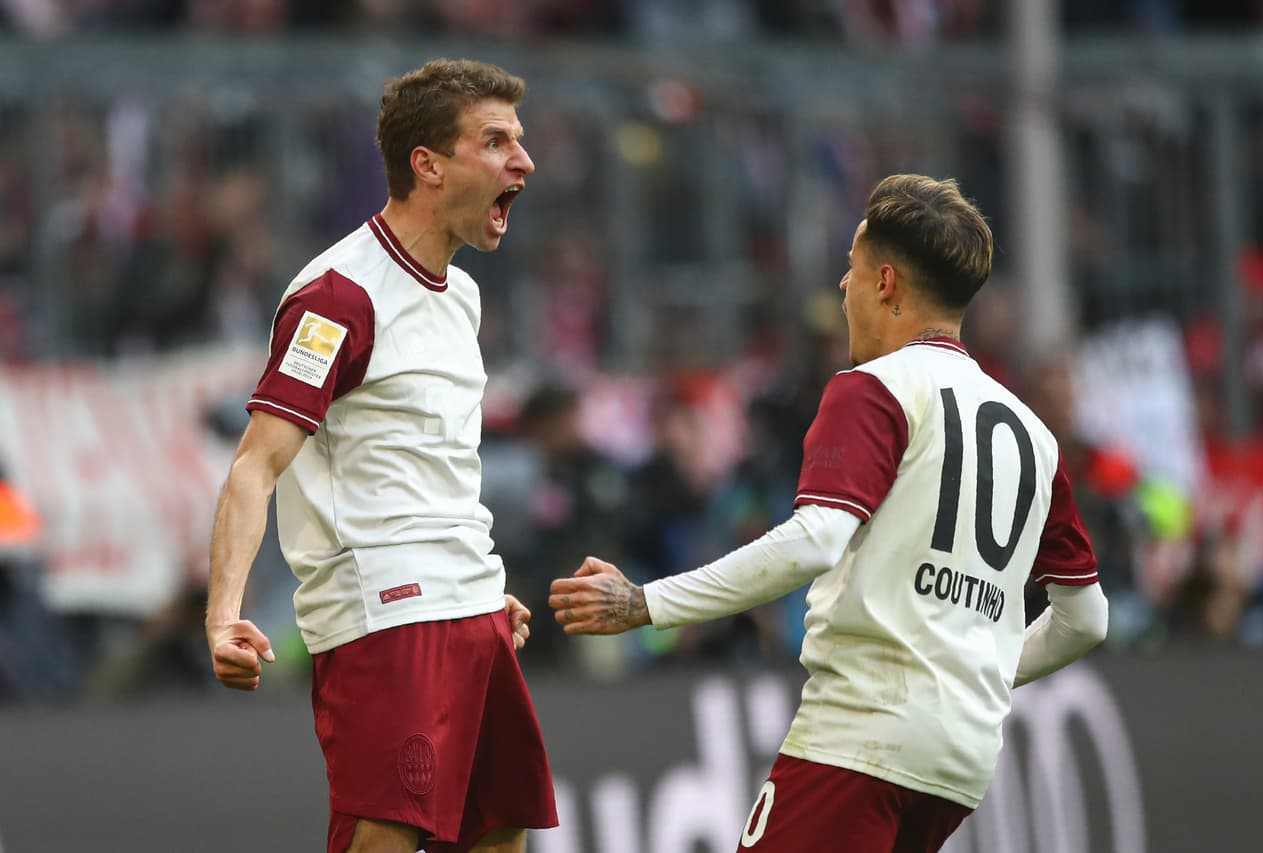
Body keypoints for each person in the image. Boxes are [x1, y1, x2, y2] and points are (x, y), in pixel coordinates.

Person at [549, 174, 1109, 853]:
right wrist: (974, 669)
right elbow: (1086, 618)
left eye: (851, 267)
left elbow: (815, 540)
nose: (843, 287)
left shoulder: (875, 389)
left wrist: (647, 602)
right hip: (960, 760)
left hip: (863, 736)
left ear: (886, 283)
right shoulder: (1036, 438)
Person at [205, 59, 557, 853]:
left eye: (519, 140)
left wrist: (474, 586)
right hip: (385, 612)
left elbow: (427, 463)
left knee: (501, 832)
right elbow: (256, 464)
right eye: (496, 141)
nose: (524, 161)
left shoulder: (461, 296)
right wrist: (224, 615)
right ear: (427, 165)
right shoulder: (338, 298)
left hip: (468, 601)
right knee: (384, 836)